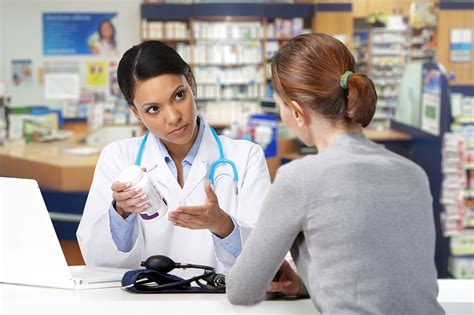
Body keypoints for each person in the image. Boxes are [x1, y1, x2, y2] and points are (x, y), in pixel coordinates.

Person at [226, 33, 444, 314]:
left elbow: (242, 290)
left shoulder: (299, 178)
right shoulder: (413, 174)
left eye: (279, 105)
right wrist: (304, 283)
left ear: (296, 111)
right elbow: (388, 279)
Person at [77, 41, 271, 275]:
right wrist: (121, 212)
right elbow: (98, 261)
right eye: (153, 109)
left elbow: (266, 258)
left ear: (191, 84)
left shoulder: (245, 157)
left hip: (222, 305)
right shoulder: (118, 158)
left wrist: (223, 225)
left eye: (179, 96)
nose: (173, 117)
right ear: (135, 112)